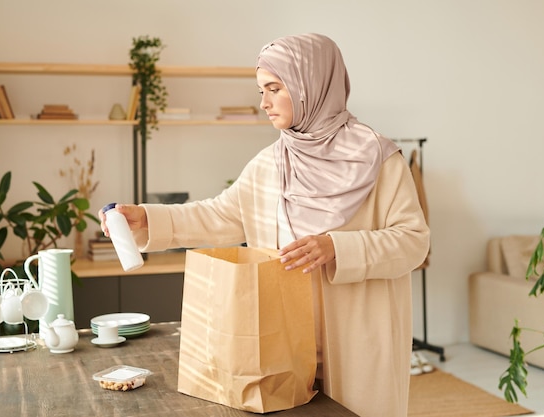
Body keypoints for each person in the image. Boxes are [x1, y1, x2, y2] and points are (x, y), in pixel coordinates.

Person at [99, 33, 430, 417]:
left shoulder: (379, 158)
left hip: (357, 342)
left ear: (311, 85)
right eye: (261, 90)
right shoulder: (270, 164)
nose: (264, 103)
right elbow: (219, 215)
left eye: (274, 88)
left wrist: (337, 247)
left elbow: (413, 241)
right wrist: (148, 217)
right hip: (282, 338)